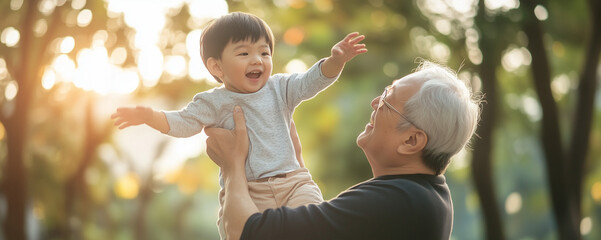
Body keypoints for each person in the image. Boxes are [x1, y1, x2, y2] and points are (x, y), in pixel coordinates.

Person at [109, 12, 367, 239]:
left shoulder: (280, 88)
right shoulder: (212, 102)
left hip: (293, 183)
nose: (257, 60)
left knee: (312, 224)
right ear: (216, 66)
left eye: (264, 52)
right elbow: (184, 123)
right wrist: (150, 116)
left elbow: (311, 81)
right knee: (240, 232)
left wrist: (336, 61)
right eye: (244, 53)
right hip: (249, 190)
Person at [205, 60, 481, 240]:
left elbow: (245, 231)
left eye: (388, 100)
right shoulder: (421, 196)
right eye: (385, 90)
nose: (376, 101)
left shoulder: (397, 201)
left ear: (411, 141)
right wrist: (296, 173)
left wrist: (233, 166)